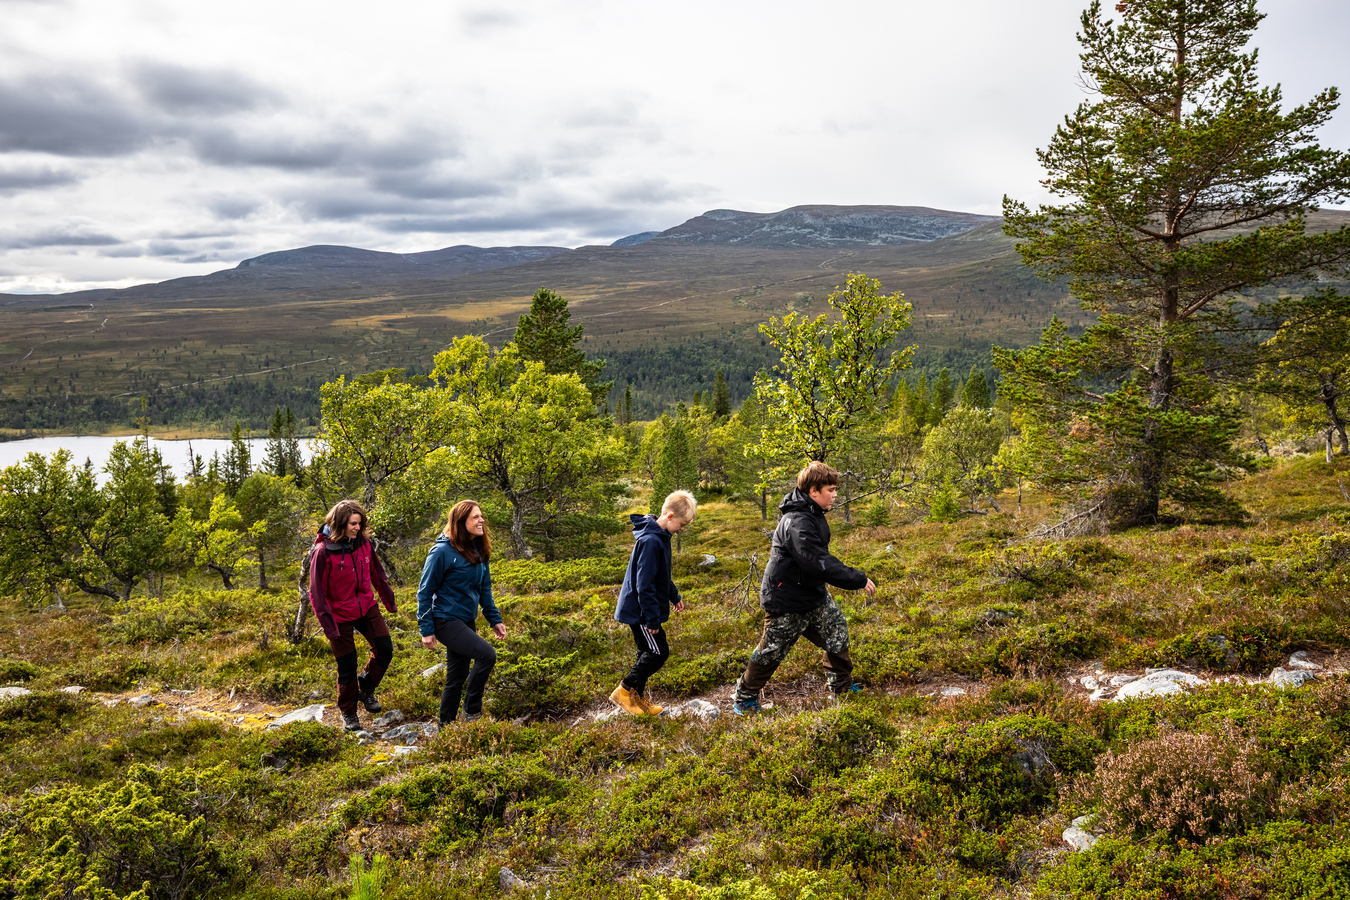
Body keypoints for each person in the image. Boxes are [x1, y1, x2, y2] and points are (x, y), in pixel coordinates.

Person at [732, 461, 876, 715]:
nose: (835, 494)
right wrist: (857, 579)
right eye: (830, 489)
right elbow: (818, 562)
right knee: (771, 651)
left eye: (835, 489)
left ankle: (840, 687)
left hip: (812, 594)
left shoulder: (813, 513)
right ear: (813, 491)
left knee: (837, 630)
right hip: (786, 599)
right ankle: (744, 699)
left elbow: (818, 560)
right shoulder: (797, 521)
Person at [309, 500, 397, 732]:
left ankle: (365, 690)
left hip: (366, 606)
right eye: (353, 524)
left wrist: (388, 600)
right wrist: (329, 626)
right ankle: (348, 712)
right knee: (347, 665)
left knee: (385, 649)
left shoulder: (363, 543)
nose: (358, 528)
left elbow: (377, 573)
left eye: (360, 523)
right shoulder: (323, 552)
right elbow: (316, 592)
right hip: (338, 614)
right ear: (339, 524)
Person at [417, 500, 506, 725]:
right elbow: (425, 592)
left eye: (481, 516)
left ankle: (445, 728)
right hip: (445, 619)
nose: (481, 520)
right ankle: (472, 711)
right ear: (461, 522)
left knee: (456, 678)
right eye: (475, 517)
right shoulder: (441, 552)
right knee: (487, 655)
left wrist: (494, 619)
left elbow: (484, 588)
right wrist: (426, 630)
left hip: (466, 619)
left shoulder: (478, 549)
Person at [610, 490, 697, 715]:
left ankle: (636, 700)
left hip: (642, 609)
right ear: (669, 516)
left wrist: (674, 596)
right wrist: (652, 618)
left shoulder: (660, 537)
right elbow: (644, 585)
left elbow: (661, 575)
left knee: (646, 650)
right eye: (681, 523)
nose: (682, 529)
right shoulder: (651, 541)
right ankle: (625, 690)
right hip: (641, 611)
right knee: (659, 652)